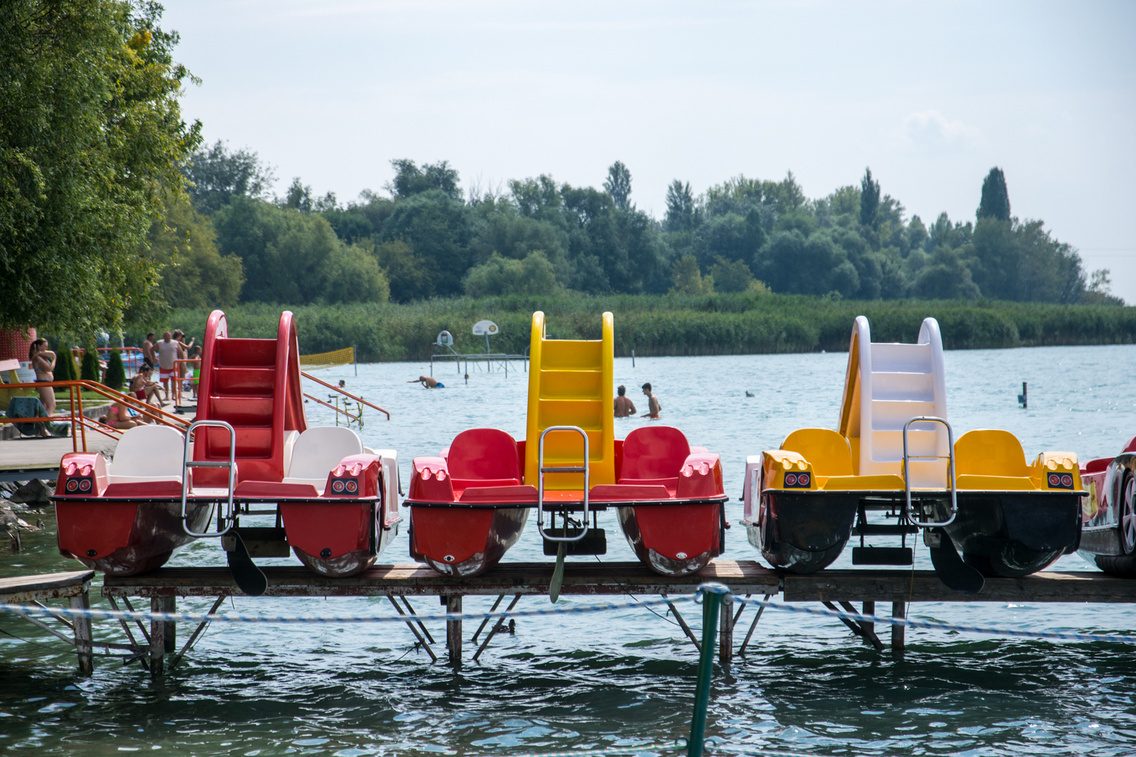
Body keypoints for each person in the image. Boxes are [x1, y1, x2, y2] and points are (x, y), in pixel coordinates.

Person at [28, 338, 57, 416]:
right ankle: (45, 423)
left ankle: (39, 423)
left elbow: (52, 354)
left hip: (46, 383)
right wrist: (54, 360)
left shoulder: (40, 355)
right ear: (38, 346)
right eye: (44, 346)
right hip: (44, 382)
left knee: (43, 406)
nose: (46, 348)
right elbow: (48, 368)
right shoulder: (37, 358)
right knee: (52, 405)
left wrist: (40, 352)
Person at [155, 331, 179, 397]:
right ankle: (166, 396)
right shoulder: (160, 343)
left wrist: (182, 361)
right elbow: (152, 349)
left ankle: (173, 395)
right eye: (166, 336)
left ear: (171, 336)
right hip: (163, 365)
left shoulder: (175, 343)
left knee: (174, 381)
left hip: (173, 365)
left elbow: (180, 352)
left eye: (168, 336)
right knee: (165, 382)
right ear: (163, 337)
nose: (167, 337)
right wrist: (154, 358)